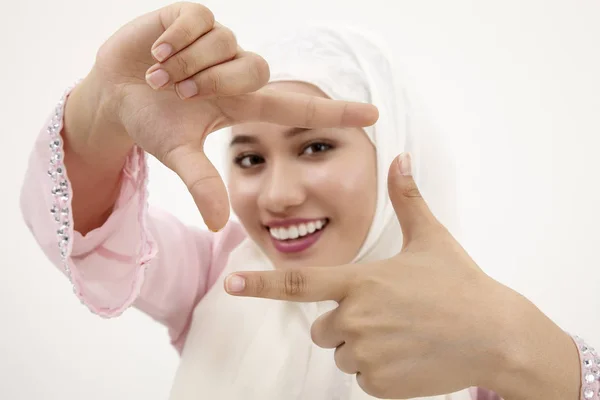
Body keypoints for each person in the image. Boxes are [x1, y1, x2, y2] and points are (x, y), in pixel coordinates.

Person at [18, 2, 594, 400]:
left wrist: (515, 342)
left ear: (393, 145)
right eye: (249, 158)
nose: (279, 195)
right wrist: (102, 109)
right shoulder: (216, 276)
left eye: (315, 147)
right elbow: (81, 228)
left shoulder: (469, 328)